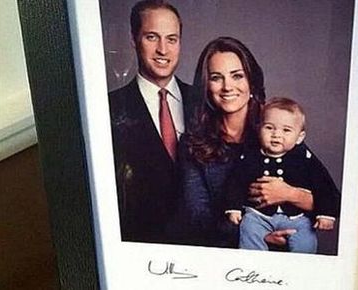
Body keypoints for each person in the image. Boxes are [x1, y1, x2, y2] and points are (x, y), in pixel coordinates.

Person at [179, 37, 315, 248]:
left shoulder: (276, 128)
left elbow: (323, 197)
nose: (227, 87)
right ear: (206, 86)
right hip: (222, 256)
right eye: (216, 78)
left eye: (237, 76)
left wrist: (290, 193)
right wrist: (256, 234)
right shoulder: (193, 142)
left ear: (251, 80)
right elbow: (198, 218)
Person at [108, 0, 200, 243]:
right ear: (133, 39)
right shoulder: (109, 108)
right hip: (144, 251)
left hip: (207, 249)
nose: (163, 50)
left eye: (172, 39)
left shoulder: (205, 103)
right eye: (151, 37)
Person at [224, 97, 341, 253]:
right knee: (248, 228)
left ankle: (301, 269)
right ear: (259, 129)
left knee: (306, 240)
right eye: (269, 128)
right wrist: (234, 208)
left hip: (297, 218)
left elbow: (324, 185)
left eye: (286, 130)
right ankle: (251, 266)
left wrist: (326, 213)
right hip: (259, 216)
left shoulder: (305, 158)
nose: (276, 135)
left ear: (300, 137)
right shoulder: (250, 156)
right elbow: (235, 182)